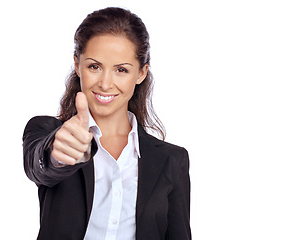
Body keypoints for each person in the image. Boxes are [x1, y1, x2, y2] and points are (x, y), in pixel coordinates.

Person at [23, 7, 191, 240]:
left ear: (141, 73)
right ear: (77, 64)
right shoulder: (48, 132)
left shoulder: (172, 160)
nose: (105, 83)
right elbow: (39, 165)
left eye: (121, 70)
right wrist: (57, 154)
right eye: (94, 66)